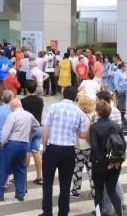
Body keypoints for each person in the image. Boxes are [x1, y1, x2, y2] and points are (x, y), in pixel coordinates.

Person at [41, 86, 90, 216]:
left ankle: (47, 211)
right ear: (76, 97)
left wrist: (45, 146)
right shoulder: (79, 112)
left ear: (63, 94)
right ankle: (63, 212)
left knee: (47, 181)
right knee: (65, 183)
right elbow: (83, 135)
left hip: (53, 147)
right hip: (68, 150)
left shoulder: (53, 107)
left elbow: (45, 129)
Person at [0, 95, 36, 202]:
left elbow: (6, 132)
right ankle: (20, 193)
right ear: (21, 105)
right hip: (24, 144)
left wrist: (2, 143)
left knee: (4, 168)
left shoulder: (12, 116)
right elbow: (36, 127)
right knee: (20, 169)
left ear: (12, 107)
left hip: (11, 144)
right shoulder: (29, 115)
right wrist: (28, 135)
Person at [89, 99, 125, 216]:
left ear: (97, 112)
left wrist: (102, 162)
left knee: (98, 192)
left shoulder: (94, 127)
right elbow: (122, 145)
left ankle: (99, 214)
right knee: (112, 190)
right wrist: (116, 162)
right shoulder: (116, 126)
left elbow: (94, 147)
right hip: (115, 163)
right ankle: (120, 214)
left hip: (99, 164)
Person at [71, 95, 96, 199]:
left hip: (80, 146)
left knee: (77, 169)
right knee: (92, 170)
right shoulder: (94, 114)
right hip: (91, 146)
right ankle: (94, 191)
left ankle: (76, 191)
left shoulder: (78, 114)